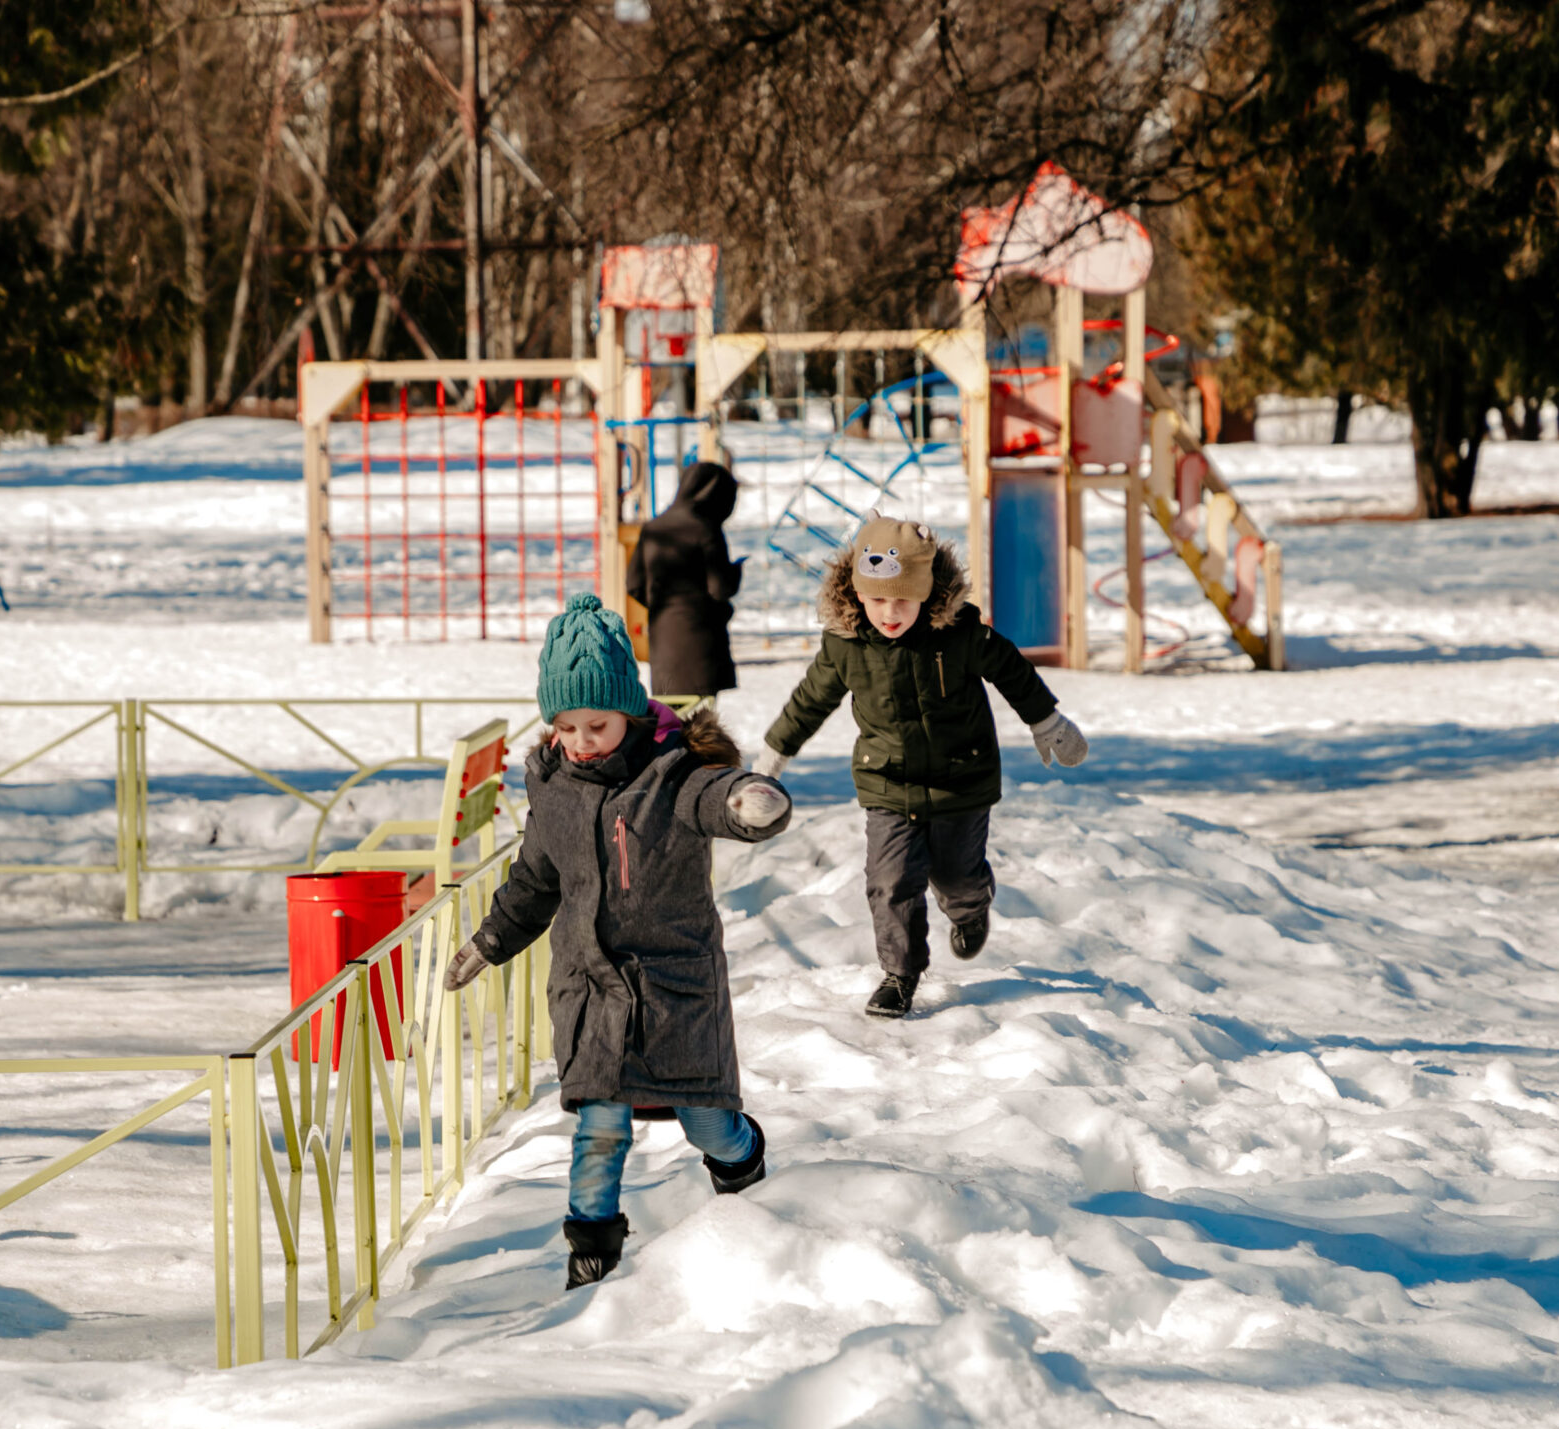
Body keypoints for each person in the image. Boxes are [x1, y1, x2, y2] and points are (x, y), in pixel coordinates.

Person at [442, 591, 793, 1288]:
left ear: (629, 712)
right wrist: (488, 942)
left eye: (595, 725)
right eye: (565, 727)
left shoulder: (672, 778)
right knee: (599, 1129)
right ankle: (591, 1256)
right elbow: (535, 883)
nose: (579, 743)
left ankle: (752, 1190)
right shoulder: (557, 793)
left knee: (709, 1127)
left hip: (673, 990)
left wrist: (747, 805)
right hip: (591, 992)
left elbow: (716, 797)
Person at [754, 517, 1089, 1019]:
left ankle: (971, 904)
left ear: (927, 593)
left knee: (956, 875)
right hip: (888, 781)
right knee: (890, 882)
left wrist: (1046, 721)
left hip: (963, 777)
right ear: (857, 595)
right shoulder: (846, 645)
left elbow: (1012, 672)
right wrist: (770, 761)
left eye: (903, 600)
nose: (890, 614)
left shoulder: (959, 634)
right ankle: (900, 974)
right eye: (878, 600)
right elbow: (809, 703)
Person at [625, 459, 743, 697]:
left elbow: (634, 584)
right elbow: (720, 588)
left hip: (663, 644)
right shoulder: (705, 528)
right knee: (700, 727)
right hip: (702, 646)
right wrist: (736, 571)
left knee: (668, 723)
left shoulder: (653, 528)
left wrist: (663, 607)